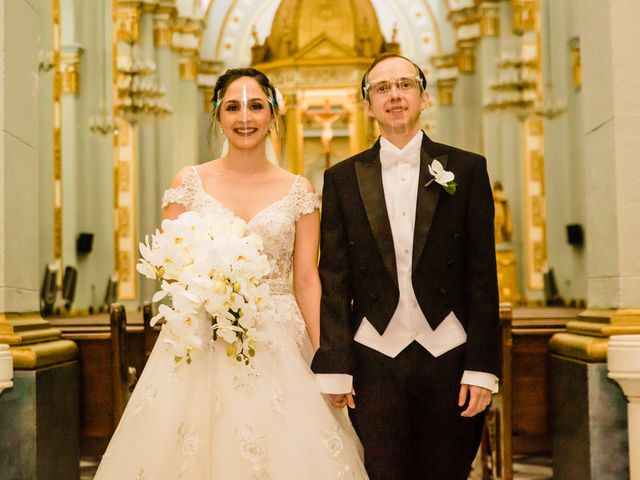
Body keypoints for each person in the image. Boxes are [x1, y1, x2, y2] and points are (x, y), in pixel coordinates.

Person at [93, 68, 368, 479]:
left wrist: (327, 356)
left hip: (279, 340)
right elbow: (174, 271)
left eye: (256, 106)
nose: (245, 118)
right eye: (233, 107)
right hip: (203, 338)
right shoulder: (189, 184)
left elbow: (308, 280)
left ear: (273, 114)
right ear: (218, 116)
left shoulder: (299, 191)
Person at [311, 53, 500, 480]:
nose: (394, 95)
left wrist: (482, 368)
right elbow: (334, 277)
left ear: (423, 96)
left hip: (450, 354)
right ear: (367, 105)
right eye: (382, 88)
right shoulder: (341, 178)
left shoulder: (466, 169)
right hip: (373, 356)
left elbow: (482, 276)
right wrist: (335, 363)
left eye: (404, 85)